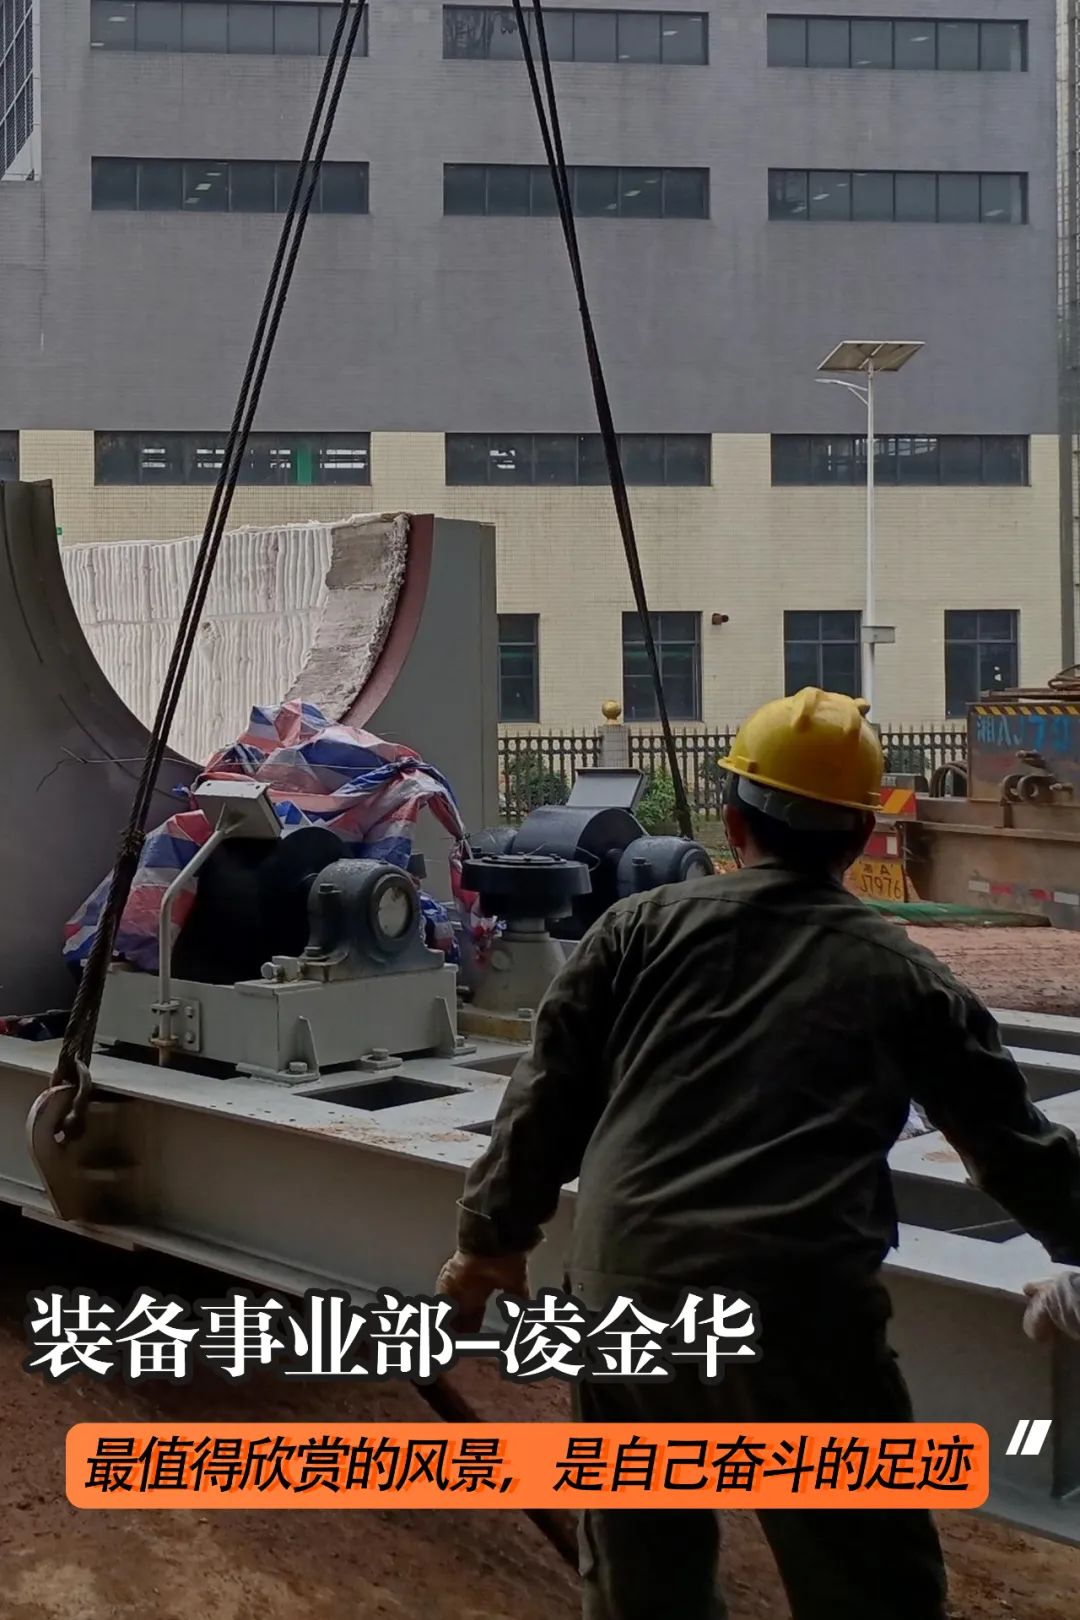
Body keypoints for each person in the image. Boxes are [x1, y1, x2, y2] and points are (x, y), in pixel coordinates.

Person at [437, 687, 1080, 1620]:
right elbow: (1012, 1147)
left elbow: (544, 1101)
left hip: (628, 1283)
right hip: (800, 1303)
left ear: (734, 822)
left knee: (644, 1577)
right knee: (866, 1581)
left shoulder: (635, 931)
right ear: (861, 835)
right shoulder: (903, 973)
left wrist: (489, 1243)